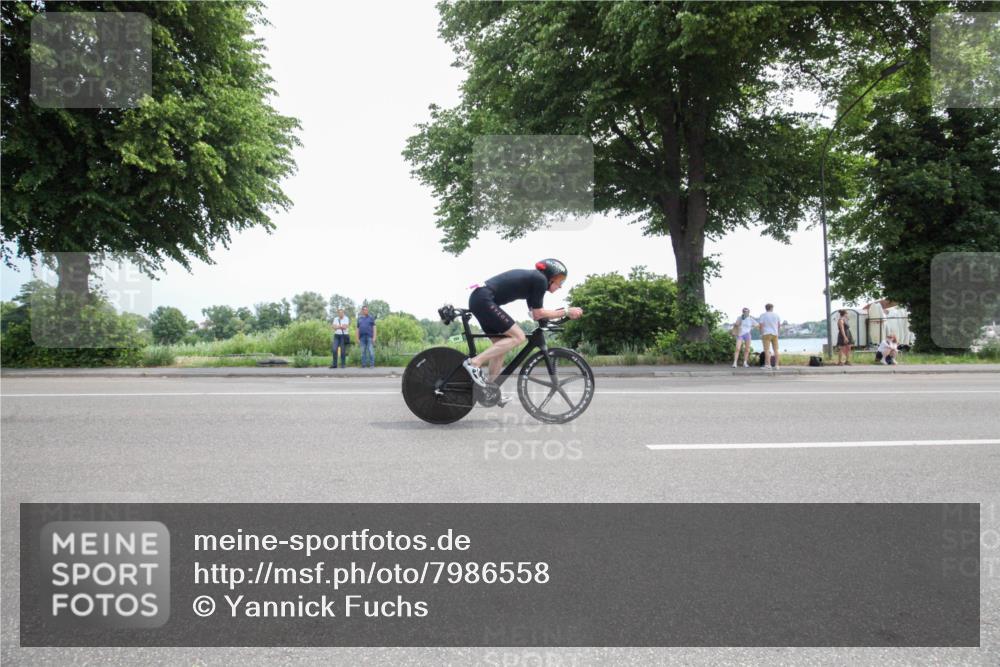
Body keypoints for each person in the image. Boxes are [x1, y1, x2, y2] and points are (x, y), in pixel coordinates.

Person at [463, 259, 582, 390]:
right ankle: (474, 363)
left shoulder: (535, 281)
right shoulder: (540, 280)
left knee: (500, 346)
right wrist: (566, 311)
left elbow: (535, 314)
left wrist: (552, 316)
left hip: (480, 299)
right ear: (551, 276)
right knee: (519, 337)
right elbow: (538, 314)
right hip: (484, 299)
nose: (560, 285)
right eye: (560, 280)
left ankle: (489, 389)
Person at [758, 303, 781, 370]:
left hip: (766, 334)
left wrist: (761, 333)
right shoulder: (776, 315)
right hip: (775, 334)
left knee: (767, 350)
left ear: (766, 308)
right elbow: (779, 325)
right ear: (772, 308)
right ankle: (777, 365)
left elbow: (761, 325)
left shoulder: (763, 315)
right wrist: (778, 333)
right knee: (776, 350)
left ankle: (768, 365)